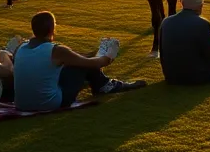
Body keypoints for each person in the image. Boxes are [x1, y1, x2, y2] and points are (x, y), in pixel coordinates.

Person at [14, 11, 144, 110]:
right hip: (49, 103)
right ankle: (105, 85)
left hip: (21, 104)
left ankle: (100, 83)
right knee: (81, 65)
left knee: (75, 63)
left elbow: (72, 57)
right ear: (52, 29)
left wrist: (95, 52)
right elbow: (92, 63)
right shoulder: (56, 50)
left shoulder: (21, 47)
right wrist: (108, 56)